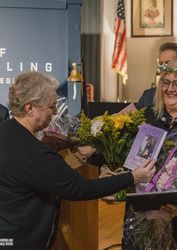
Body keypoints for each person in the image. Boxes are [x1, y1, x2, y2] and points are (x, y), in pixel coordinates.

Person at [0, 71, 156, 249]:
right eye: (51, 106)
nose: (56, 111)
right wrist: (133, 177)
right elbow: (81, 188)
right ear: (30, 108)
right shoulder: (35, 153)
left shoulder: (5, 130)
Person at [123, 59, 177, 250]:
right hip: (139, 213)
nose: (170, 88)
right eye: (166, 82)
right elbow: (123, 156)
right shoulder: (146, 117)